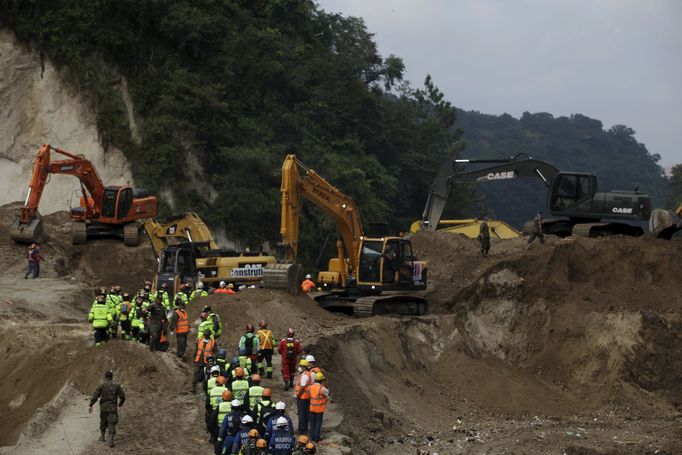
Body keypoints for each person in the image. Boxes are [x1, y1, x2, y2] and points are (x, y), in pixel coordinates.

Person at [88, 370, 125, 448]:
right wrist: (121, 403)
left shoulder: (101, 385)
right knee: (112, 423)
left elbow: (95, 395)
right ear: (112, 377)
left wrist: (91, 404)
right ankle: (111, 437)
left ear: (105, 377)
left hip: (104, 408)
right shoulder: (117, 385)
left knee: (103, 422)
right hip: (113, 408)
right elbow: (122, 396)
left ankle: (102, 437)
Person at [193, 329, 217, 393]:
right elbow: (196, 349)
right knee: (196, 375)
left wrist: (213, 360)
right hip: (198, 360)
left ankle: (206, 390)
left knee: (207, 376)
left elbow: (215, 351)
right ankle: (193, 389)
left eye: (207, 334)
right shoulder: (200, 340)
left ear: (209, 335)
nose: (206, 335)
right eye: (205, 334)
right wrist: (194, 358)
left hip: (207, 362)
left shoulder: (213, 342)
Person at [308, 372, 329, 442]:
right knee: (318, 423)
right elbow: (328, 393)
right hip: (319, 410)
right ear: (322, 380)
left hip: (312, 408)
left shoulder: (310, 387)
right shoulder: (322, 388)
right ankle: (316, 438)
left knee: (312, 423)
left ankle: (311, 437)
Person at [294, 358, 313, 435]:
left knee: (301, 414)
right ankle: (304, 429)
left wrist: (298, 394)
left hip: (302, 398)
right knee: (305, 414)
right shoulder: (307, 374)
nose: (300, 368)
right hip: (306, 397)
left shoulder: (305, 376)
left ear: (304, 367)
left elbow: (302, 386)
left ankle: (302, 430)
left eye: (301, 366)